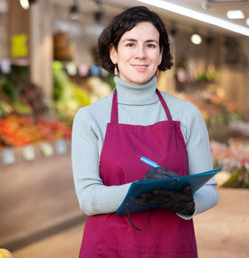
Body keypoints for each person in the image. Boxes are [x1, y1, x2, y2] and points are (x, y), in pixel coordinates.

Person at [71, 6, 218, 258]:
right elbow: (88, 199)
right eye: (130, 44)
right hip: (109, 249)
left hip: (172, 247)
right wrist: (141, 190)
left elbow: (210, 190)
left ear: (161, 54)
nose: (141, 54)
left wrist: (187, 204)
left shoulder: (187, 115)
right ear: (114, 53)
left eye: (150, 45)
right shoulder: (90, 118)